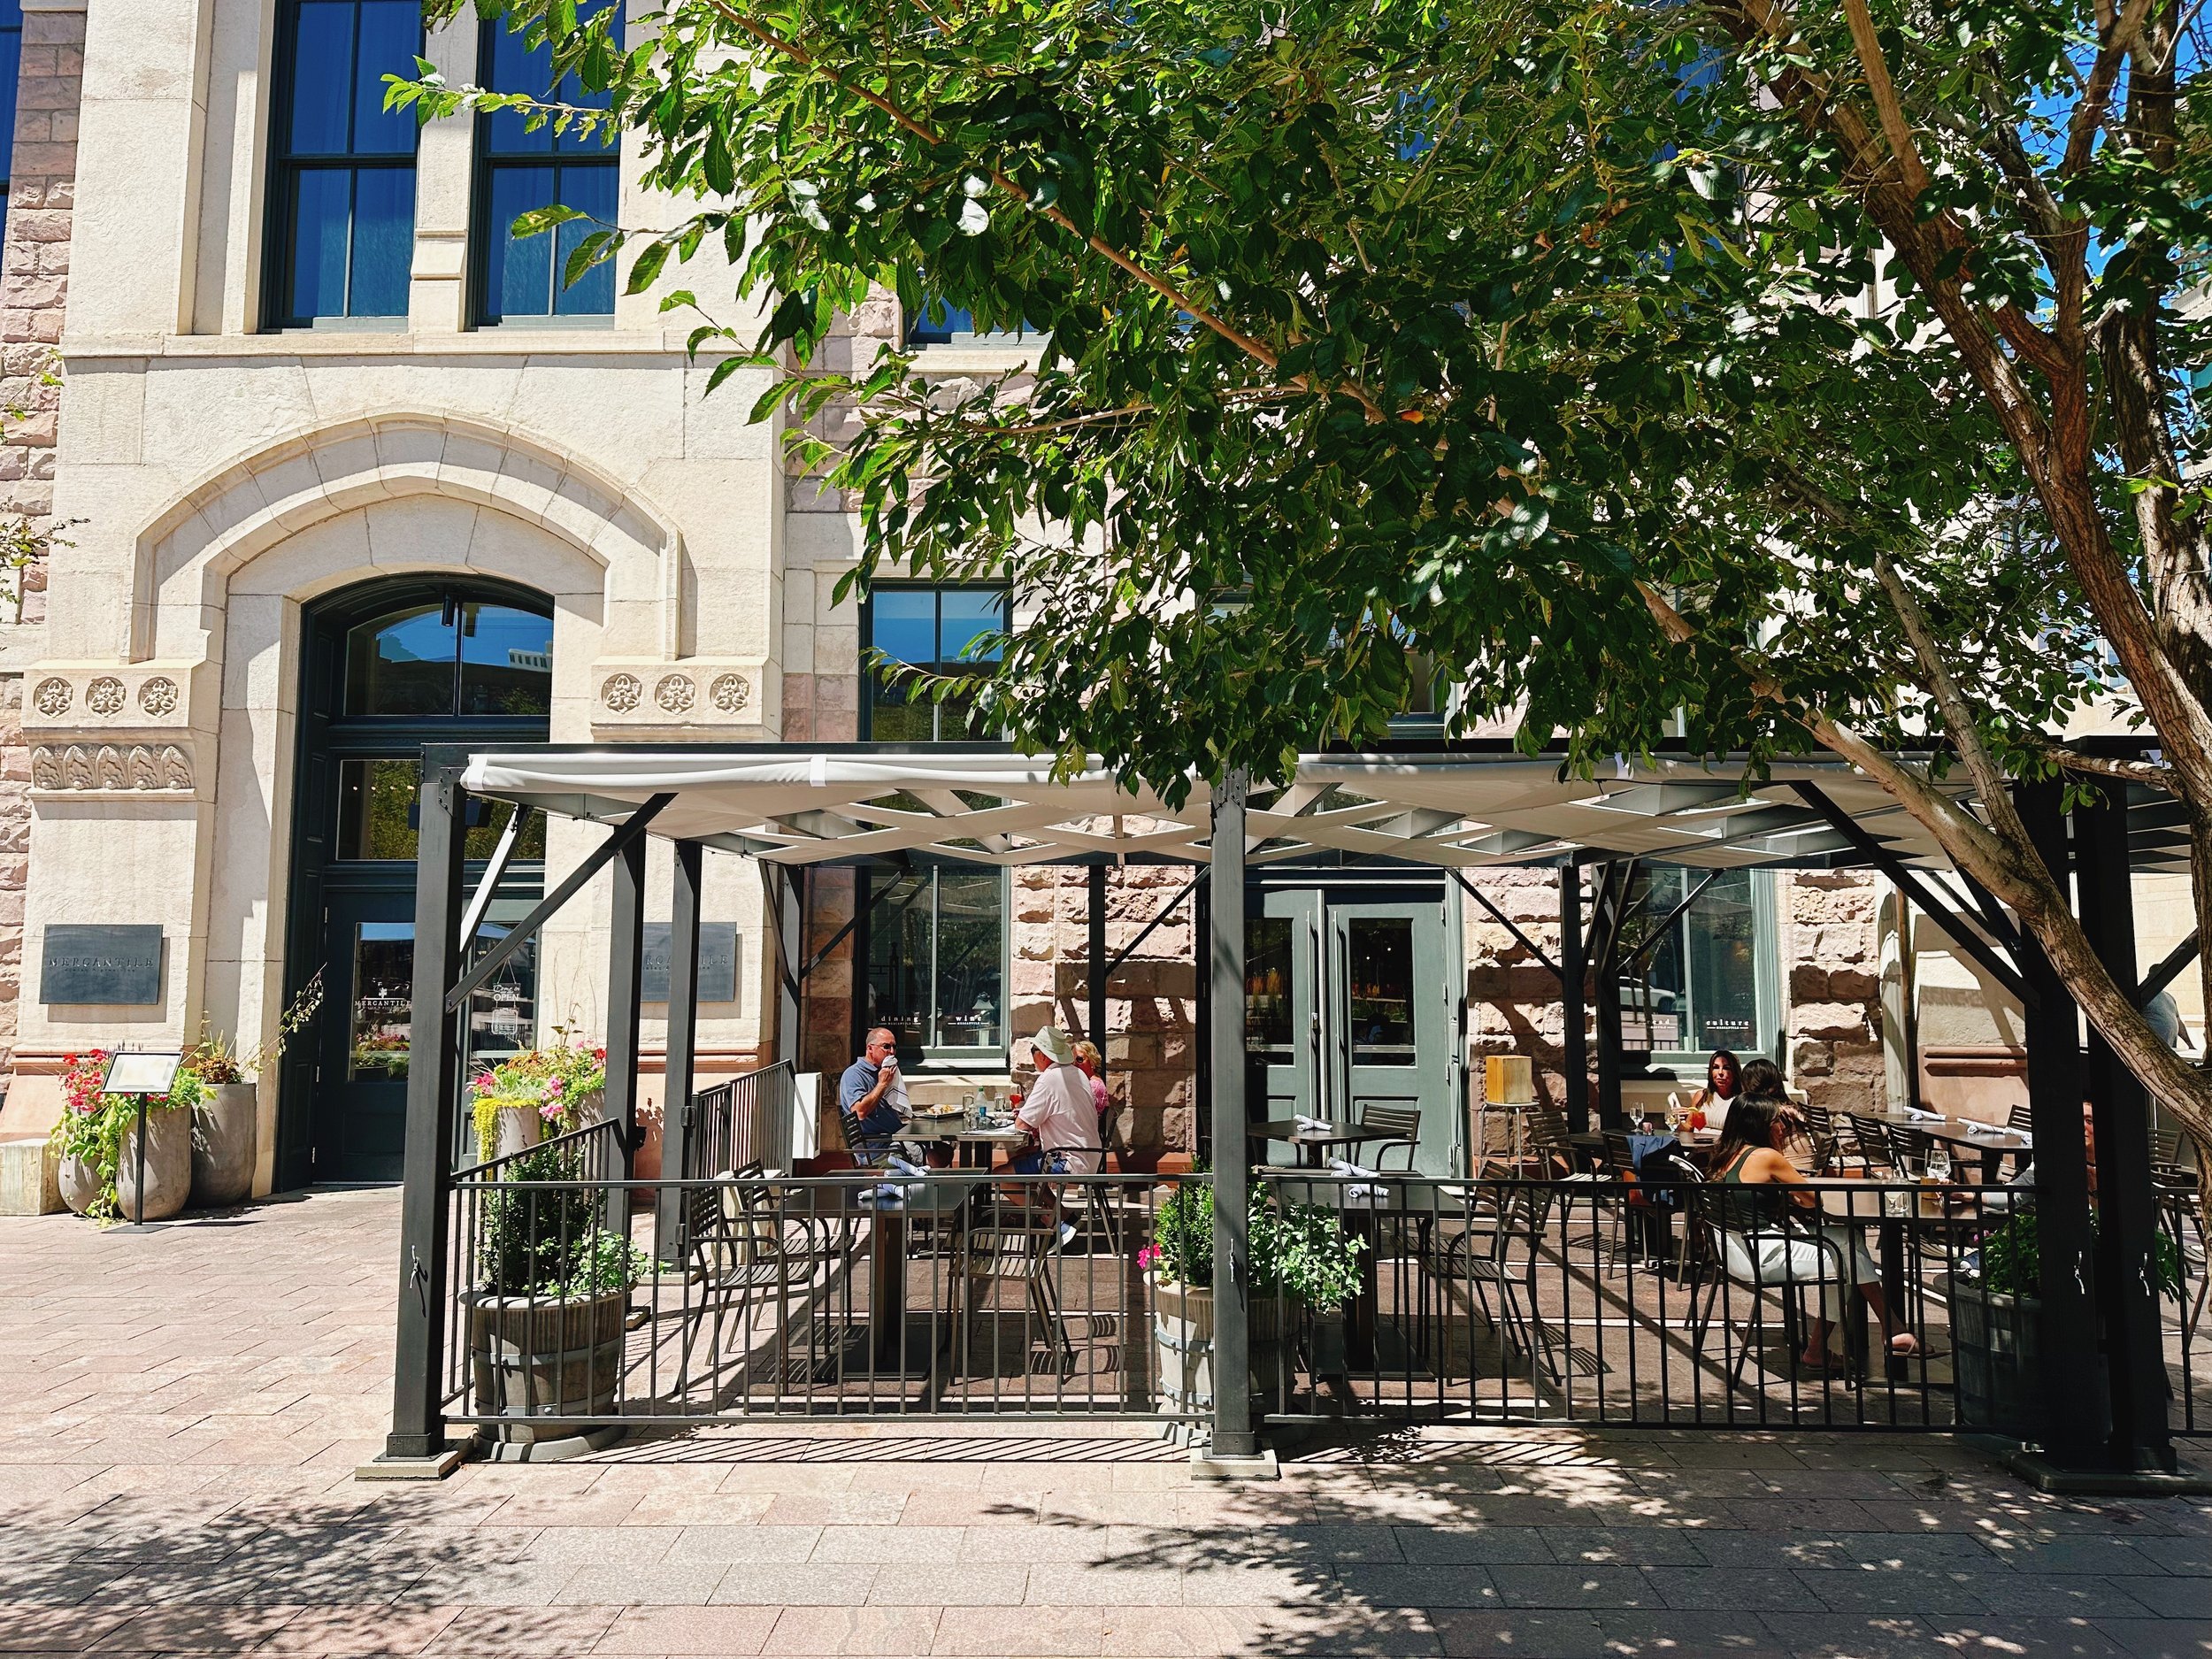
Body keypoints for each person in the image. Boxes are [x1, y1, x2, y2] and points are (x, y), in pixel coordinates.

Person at [1707, 1094, 1920, 1367]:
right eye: (1778, 1121)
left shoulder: (1725, 1153)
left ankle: (1883, 1332)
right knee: (1845, 1254)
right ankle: (1886, 1331)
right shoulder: (1766, 1156)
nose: (1783, 1128)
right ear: (1759, 1125)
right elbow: (1813, 1199)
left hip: (1734, 1253)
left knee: (1848, 1242)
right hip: (1761, 1254)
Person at [1008, 1026, 1103, 1175]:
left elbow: (1021, 1125)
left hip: (1066, 1160)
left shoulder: (1048, 1078)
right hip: (1091, 1157)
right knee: (1017, 1166)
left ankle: (1049, 1200)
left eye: (1033, 1052)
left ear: (1042, 1055)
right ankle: (1048, 1200)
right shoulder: (1079, 1074)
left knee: (1002, 1176)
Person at [838, 1026, 908, 1161]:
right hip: (876, 1149)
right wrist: (882, 1084)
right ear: (870, 1048)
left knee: (941, 1150)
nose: (892, 1052)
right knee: (927, 1154)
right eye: (886, 1047)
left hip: (896, 1138)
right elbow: (859, 1112)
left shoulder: (885, 1071)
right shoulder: (853, 1074)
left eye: (894, 1047)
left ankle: (927, 1180)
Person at [1689, 1048, 1742, 1129]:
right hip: (1696, 1140)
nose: (1720, 1072)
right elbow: (1689, 1127)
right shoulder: (1701, 1096)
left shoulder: (1742, 1100)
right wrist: (1676, 1120)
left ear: (1735, 1072)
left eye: (1726, 1068)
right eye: (1715, 1067)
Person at [1072, 1039, 1111, 1118]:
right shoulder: (1085, 1081)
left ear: (1092, 1061)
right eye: (1072, 1060)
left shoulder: (1094, 1085)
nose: (1074, 1064)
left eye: (1079, 1059)